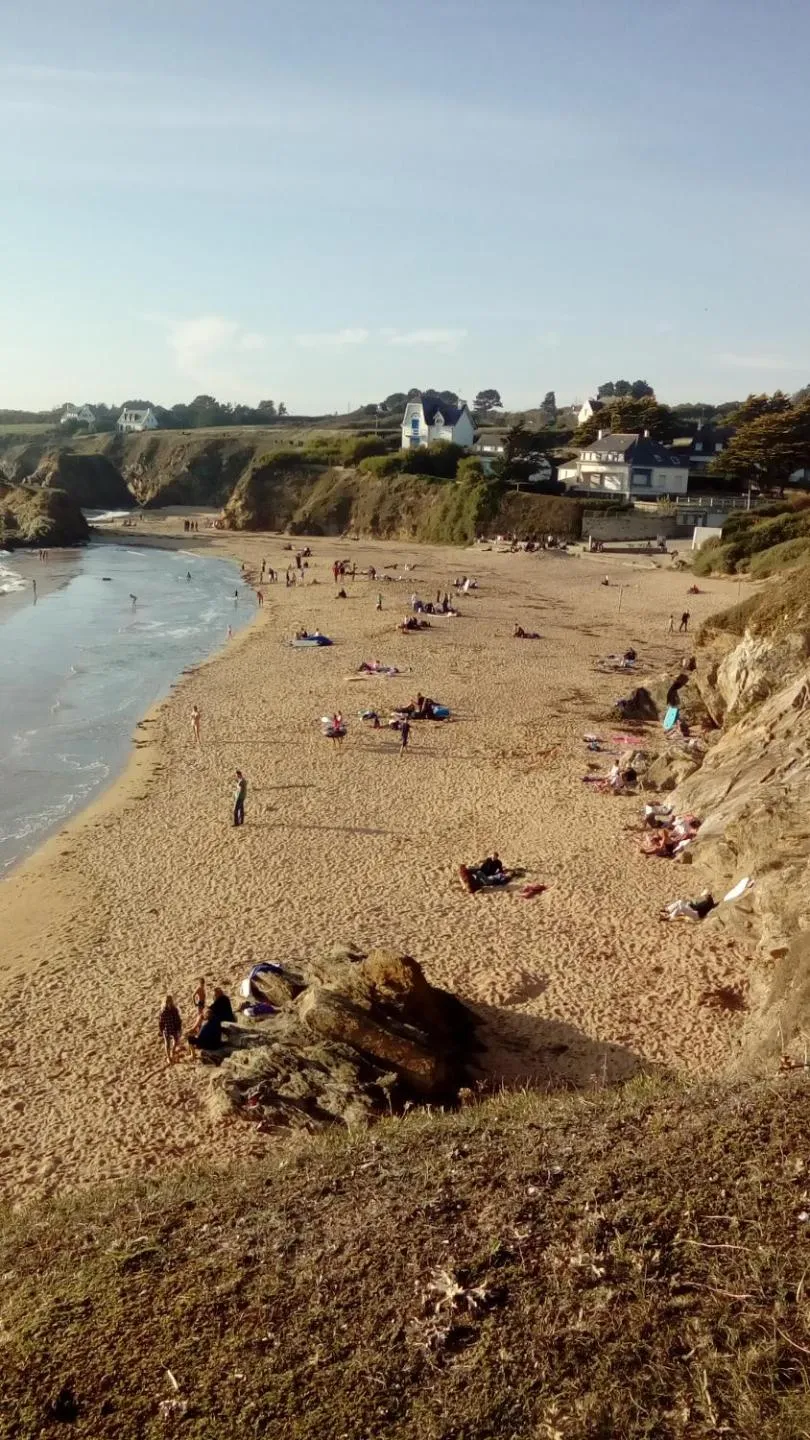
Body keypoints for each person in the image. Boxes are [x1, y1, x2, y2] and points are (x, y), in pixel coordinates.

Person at [158, 994, 183, 1064]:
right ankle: (168, 1057)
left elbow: (178, 1019)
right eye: (167, 1002)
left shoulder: (174, 1009)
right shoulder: (163, 1012)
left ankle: (173, 1051)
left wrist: (179, 1027)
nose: (168, 1003)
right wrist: (161, 1030)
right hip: (167, 1029)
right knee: (167, 1044)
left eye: (170, 1001)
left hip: (174, 1028)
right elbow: (161, 1022)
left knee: (176, 1040)